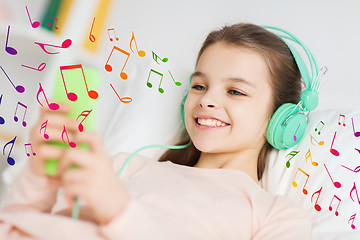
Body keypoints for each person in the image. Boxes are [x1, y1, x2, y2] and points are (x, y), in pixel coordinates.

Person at [0, 23, 312, 239]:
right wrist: (41, 175)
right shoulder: (124, 165)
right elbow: (22, 226)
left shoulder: (276, 215)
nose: (207, 100)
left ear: (282, 118)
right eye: (199, 86)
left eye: (235, 92)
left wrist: (118, 211)